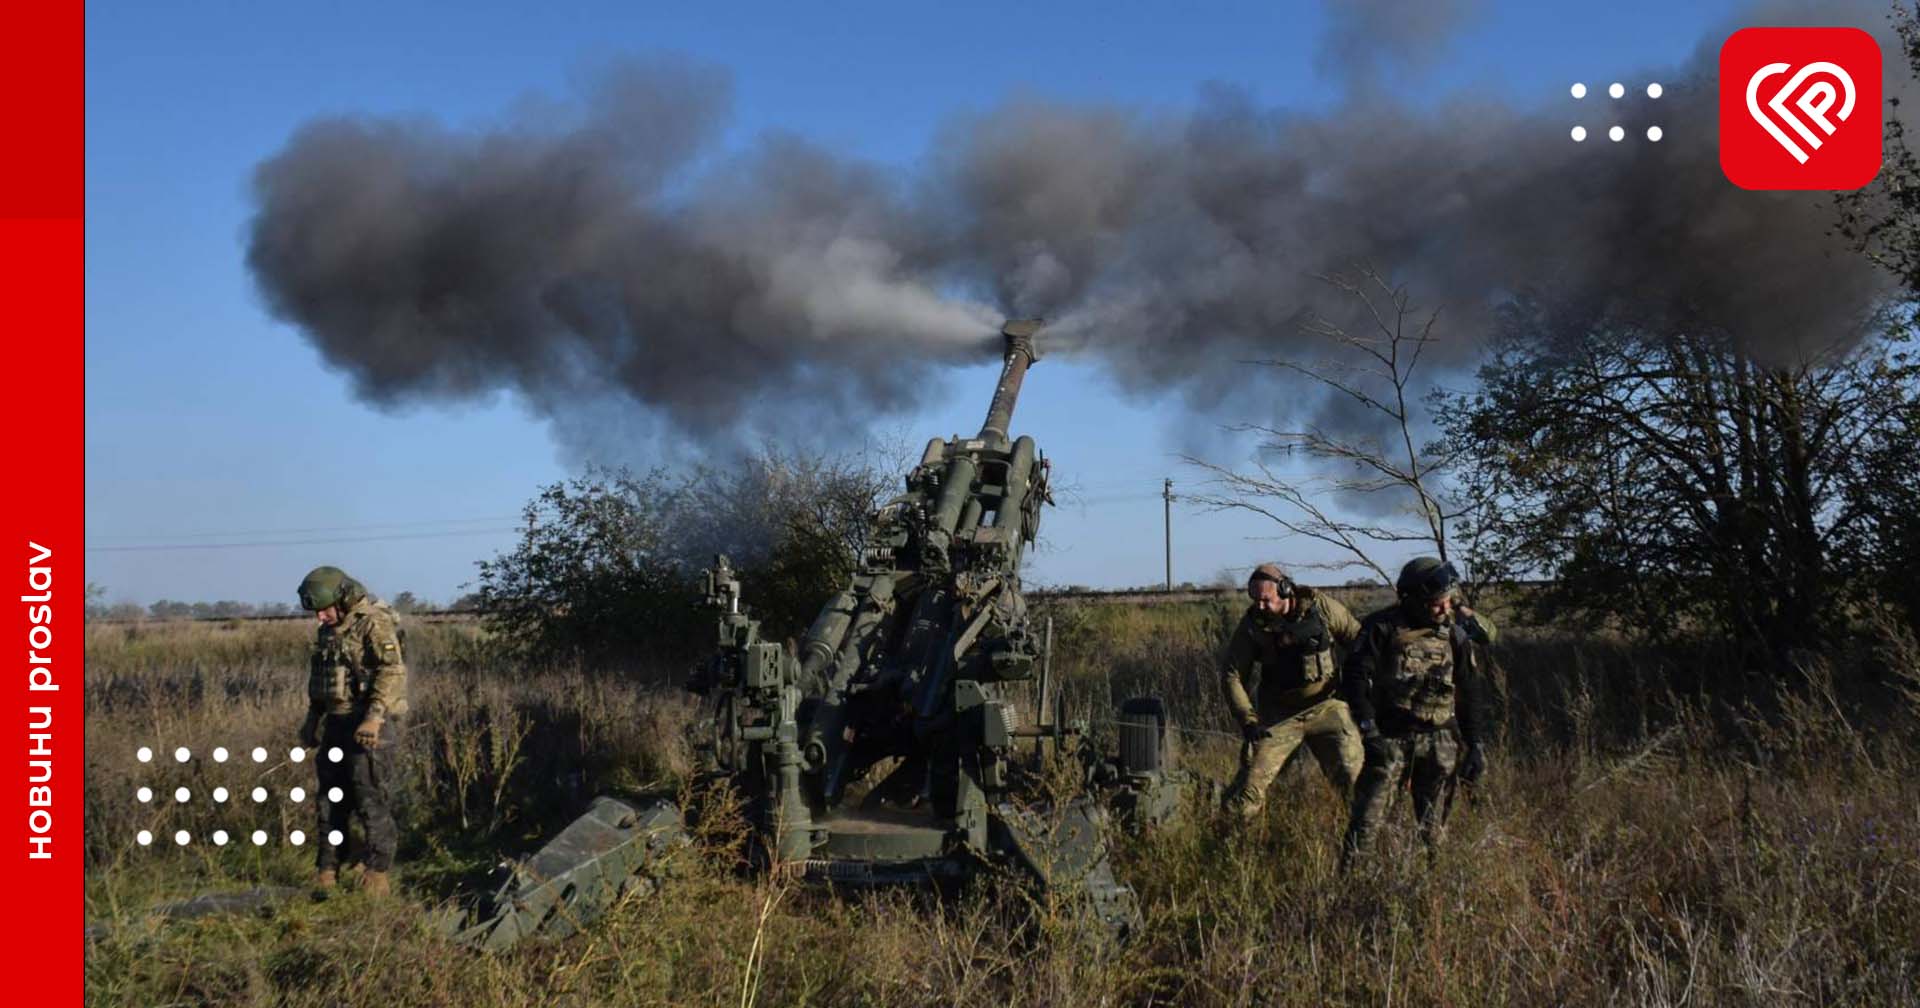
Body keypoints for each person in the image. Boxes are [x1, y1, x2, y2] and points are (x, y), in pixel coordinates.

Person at [1340, 556, 1489, 862]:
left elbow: (1469, 690)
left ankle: (1431, 894)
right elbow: (1355, 680)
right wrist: (1369, 732)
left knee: (1434, 832)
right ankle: (1351, 892)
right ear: (1414, 599)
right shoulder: (1381, 627)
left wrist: (1475, 744)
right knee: (1366, 826)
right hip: (1389, 739)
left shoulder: (1455, 634)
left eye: (1448, 601)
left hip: (1440, 741)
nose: (1445, 609)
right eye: (1437, 603)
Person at [1220, 563, 1366, 820]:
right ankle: (1227, 841)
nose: (1260, 606)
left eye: (1266, 600)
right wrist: (1248, 720)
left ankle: (1360, 845)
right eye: (1255, 600)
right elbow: (1232, 675)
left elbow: (1359, 641)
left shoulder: (1322, 609)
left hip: (1328, 707)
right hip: (1279, 714)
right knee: (1247, 791)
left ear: (1285, 590)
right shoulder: (1253, 625)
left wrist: (1357, 690)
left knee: (1356, 785)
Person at [296, 565, 408, 896]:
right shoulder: (328, 631)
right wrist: (311, 722)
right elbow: (321, 681)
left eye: (325, 609)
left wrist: (373, 718)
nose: (320, 617)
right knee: (330, 800)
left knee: (369, 796)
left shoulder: (373, 623)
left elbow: (391, 672)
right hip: (336, 723)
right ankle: (329, 867)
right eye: (315, 612)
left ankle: (377, 870)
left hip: (369, 726)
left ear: (343, 600)